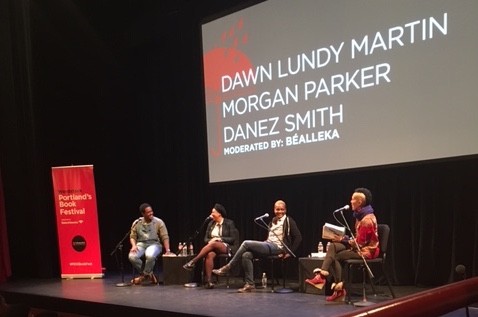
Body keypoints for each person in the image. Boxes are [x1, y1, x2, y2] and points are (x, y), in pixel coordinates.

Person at [305, 187, 379, 302]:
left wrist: (343, 239)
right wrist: (342, 239)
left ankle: (339, 290)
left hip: (367, 251)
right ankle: (321, 277)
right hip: (358, 246)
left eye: (353, 199)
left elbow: (359, 244)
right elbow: (357, 238)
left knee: (337, 256)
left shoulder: (366, 220)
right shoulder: (359, 216)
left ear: (360, 202)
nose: (350, 202)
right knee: (334, 245)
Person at [213, 200, 302, 292]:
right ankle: (250, 284)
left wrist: (289, 252)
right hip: (268, 245)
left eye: (281, 209)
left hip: (278, 248)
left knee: (246, 243)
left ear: (285, 210)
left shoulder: (289, 221)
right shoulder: (272, 221)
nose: (279, 211)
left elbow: (298, 237)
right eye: (277, 209)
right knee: (246, 255)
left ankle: (228, 267)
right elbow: (270, 237)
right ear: (274, 210)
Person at [182, 203, 238, 289]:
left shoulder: (229, 223)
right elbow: (205, 239)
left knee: (214, 243)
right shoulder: (211, 224)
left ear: (219, 214)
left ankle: (193, 261)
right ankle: (209, 282)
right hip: (213, 247)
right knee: (209, 254)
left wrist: (219, 239)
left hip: (226, 246)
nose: (211, 214)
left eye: (213, 212)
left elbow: (233, 239)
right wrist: (211, 241)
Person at [129, 203, 174, 285]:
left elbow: (165, 237)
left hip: (154, 244)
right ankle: (149, 274)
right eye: (148, 212)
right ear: (143, 214)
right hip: (141, 244)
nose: (151, 213)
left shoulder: (158, 222)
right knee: (132, 256)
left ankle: (144, 276)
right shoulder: (137, 223)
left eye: (151, 211)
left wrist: (167, 250)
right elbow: (132, 236)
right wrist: (134, 246)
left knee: (149, 255)